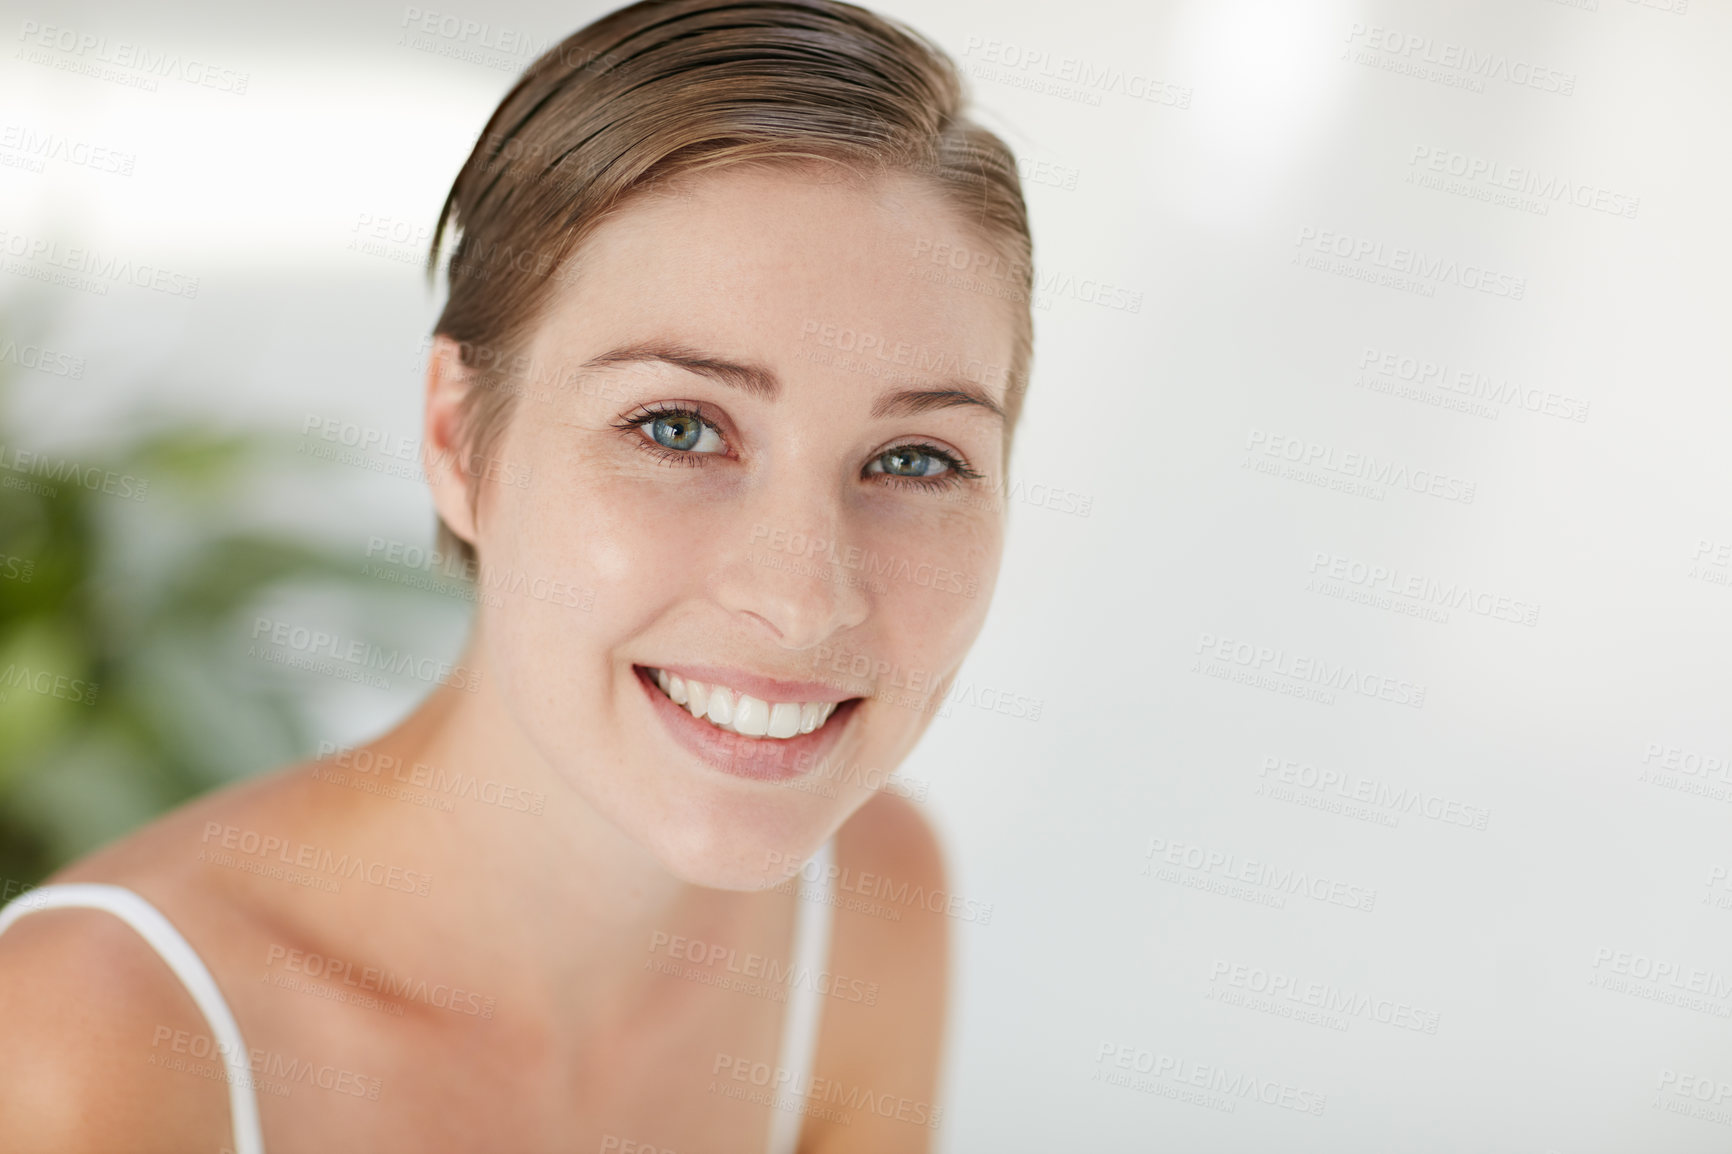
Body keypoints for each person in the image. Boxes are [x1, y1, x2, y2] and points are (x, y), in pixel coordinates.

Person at [0, 1, 1035, 1149]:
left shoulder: (868, 902)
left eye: (914, 457)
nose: (801, 599)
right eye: (680, 429)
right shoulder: (85, 1041)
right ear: (458, 436)